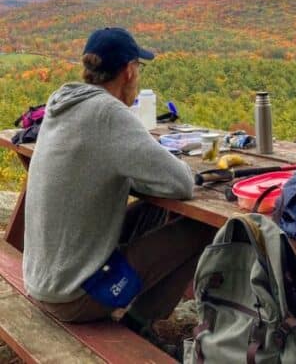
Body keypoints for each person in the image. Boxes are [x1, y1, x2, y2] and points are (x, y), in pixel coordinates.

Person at [23, 27, 213, 344]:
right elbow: (180, 182)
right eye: (138, 69)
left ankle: (142, 319)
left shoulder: (64, 102)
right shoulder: (107, 112)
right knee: (199, 228)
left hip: (42, 278)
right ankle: (141, 329)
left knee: (151, 212)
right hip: (71, 296)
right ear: (128, 72)